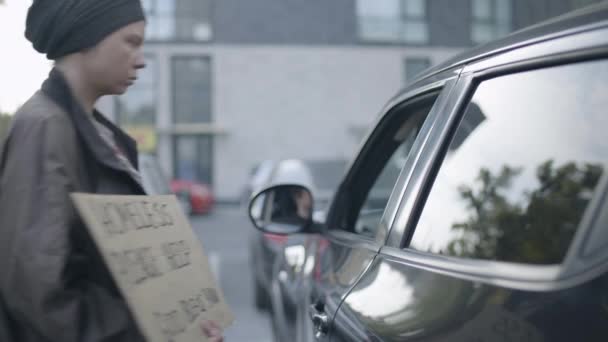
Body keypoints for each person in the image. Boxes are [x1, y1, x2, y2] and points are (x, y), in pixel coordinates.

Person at [0, 1, 223, 341]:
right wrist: (147, 332)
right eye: (131, 42)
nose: (142, 59)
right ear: (87, 37)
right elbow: (38, 292)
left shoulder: (98, 132)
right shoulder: (44, 126)